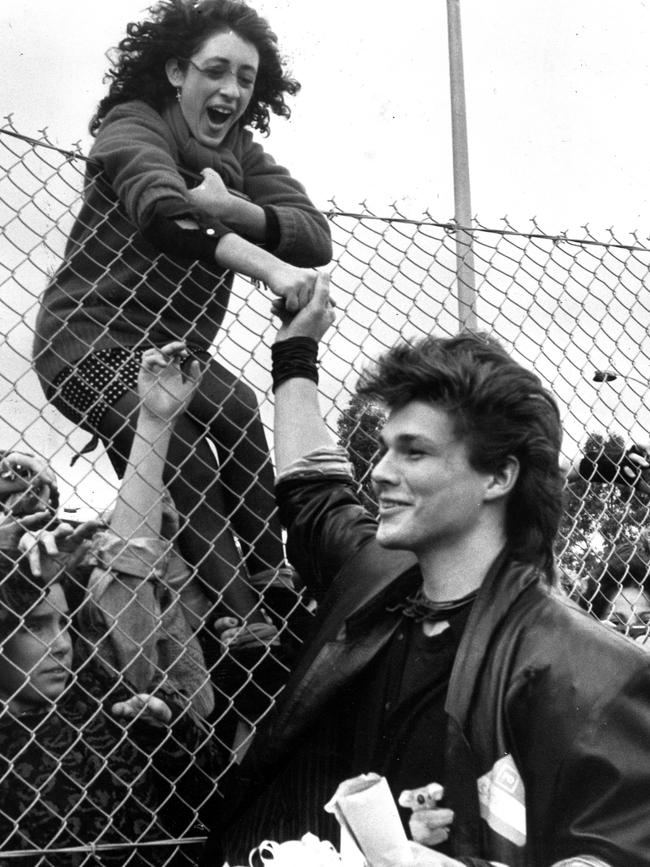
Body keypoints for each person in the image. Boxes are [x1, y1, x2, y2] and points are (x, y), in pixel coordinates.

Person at [201, 274, 650, 867]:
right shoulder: (373, 578)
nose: (381, 472)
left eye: (414, 452)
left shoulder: (588, 670)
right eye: (386, 448)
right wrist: (295, 351)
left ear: (498, 476)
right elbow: (313, 491)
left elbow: (614, 852)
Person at [32, 0, 332, 643]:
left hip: (172, 350)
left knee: (239, 409)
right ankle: (245, 620)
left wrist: (236, 207)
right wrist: (270, 268)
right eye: (215, 70)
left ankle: (272, 579)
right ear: (176, 71)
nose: (230, 91)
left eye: (245, 79)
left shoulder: (241, 156)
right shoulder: (131, 125)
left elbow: (314, 235)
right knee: (188, 456)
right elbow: (165, 212)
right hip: (86, 341)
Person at [0, 344, 224, 866]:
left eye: (32, 495)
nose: (60, 643)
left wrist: (153, 422)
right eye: (7, 499)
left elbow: (131, 561)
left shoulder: (96, 681)